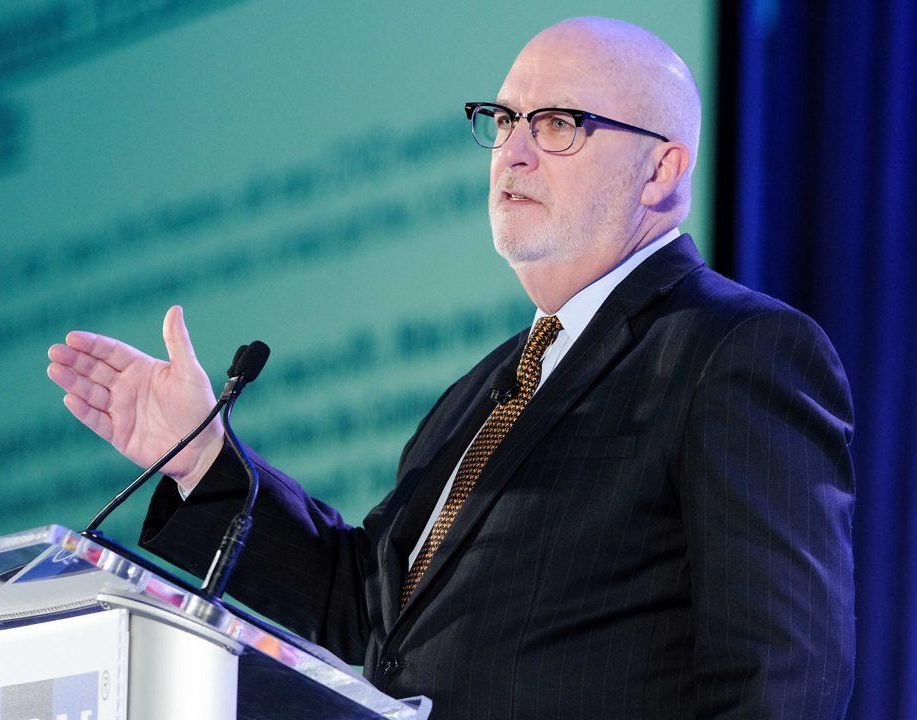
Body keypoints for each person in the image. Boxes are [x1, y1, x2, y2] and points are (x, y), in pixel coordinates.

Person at [47, 17, 855, 719]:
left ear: (662, 170)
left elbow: (783, 673)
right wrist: (202, 461)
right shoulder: (482, 391)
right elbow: (368, 611)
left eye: (559, 123)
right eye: (502, 120)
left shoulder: (734, 351)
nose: (514, 152)